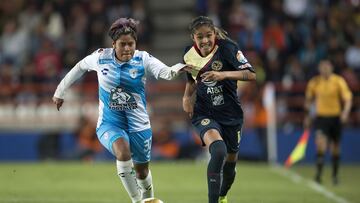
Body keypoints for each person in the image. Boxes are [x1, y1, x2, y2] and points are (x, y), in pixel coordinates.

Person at [53, 18, 186, 203]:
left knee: (142, 171)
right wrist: (60, 91)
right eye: (122, 44)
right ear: (113, 44)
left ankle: (147, 199)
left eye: (131, 44)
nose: (127, 49)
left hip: (139, 124)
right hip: (110, 123)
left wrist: (179, 68)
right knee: (122, 152)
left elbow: (166, 72)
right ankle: (137, 201)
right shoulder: (100, 57)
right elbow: (80, 67)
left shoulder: (143, 58)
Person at [182, 16, 256, 203]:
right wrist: (186, 97)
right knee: (218, 151)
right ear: (193, 38)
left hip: (231, 115)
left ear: (215, 34)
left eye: (209, 35)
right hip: (204, 112)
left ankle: (222, 195)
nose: (205, 40)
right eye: (200, 37)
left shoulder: (228, 48)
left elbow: (251, 74)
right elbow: (192, 80)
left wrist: (223, 75)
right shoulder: (188, 54)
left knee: (230, 164)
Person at [304, 60, 352, 185]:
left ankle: (335, 176)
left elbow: (347, 99)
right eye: (322, 68)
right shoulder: (314, 82)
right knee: (321, 144)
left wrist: (345, 112)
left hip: (335, 118)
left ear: (331, 68)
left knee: (335, 148)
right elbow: (308, 100)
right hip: (321, 118)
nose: (324, 70)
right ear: (319, 69)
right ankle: (318, 175)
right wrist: (308, 115)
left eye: (327, 67)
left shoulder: (338, 81)